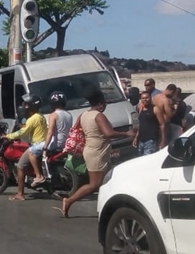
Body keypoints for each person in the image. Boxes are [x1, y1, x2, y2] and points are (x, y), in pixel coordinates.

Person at [55, 88, 135, 218]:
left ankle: (110, 208)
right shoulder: (98, 116)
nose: (105, 105)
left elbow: (77, 130)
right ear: (101, 103)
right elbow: (108, 133)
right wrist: (126, 133)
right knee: (94, 184)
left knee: (108, 181)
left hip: (93, 150)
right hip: (97, 152)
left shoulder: (84, 115)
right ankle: (69, 200)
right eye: (104, 103)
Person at [2, 93, 47, 201]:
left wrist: (8, 136)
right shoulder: (40, 116)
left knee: (20, 167)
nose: (24, 107)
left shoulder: (33, 119)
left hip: (36, 145)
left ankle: (20, 194)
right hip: (42, 144)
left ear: (31, 106)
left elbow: (22, 132)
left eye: (26, 105)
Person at [35, 91, 73, 185]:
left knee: (32, 151)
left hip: (56, 143)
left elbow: (50, 132)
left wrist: (45, 148)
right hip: (65, 143)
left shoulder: (53, 115)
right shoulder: (69, 114)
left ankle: (39, 176)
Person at [133, 90, 160, 155]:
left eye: (147, 98)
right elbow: (140, 125)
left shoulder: (155, 109)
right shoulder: (141, 109)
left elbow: (162, 125)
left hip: (151, 140)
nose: (145, 100)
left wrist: (163, 140)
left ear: (150, 98)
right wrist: (136, 138)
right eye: (143, 98)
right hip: (141, 140)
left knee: (148, 160)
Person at [153, 84, 177, 149]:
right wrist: (175, 109)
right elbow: (170, 115)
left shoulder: (156, 97)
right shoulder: (166, 100)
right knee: (165, 146)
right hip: (165, 124)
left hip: (156, 123)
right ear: (172, 91)